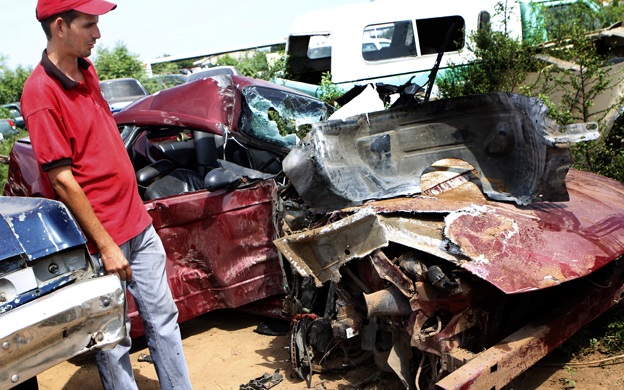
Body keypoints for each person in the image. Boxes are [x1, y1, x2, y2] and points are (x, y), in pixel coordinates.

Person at [20, 1, 193, 389]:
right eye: (89, 25)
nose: (98, 34)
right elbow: (62, 179)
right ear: (60, 26)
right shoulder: (40, 93)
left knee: (163, 318)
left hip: (137, 222)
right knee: (112, 337)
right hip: (102, 240)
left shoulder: (87, 70)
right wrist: (106, 244)